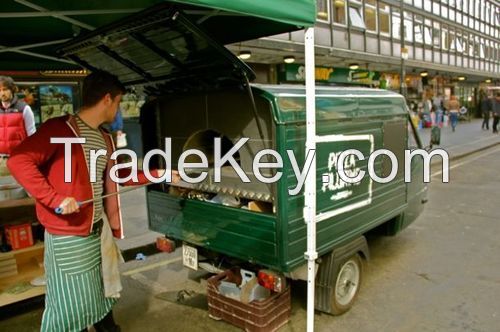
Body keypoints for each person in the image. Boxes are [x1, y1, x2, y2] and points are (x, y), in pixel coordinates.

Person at [7, 70, 179, 332]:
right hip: (67, 236)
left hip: (96, 230)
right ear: (107, 99)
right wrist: (55, 199)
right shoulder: (58, 128)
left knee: (97, 293)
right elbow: (18, 161)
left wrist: (160, 173)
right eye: (119, 102)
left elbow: (118, 175)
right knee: (66, 306)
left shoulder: (105, 138)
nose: (118, 109)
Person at [0, 76, 36, 175]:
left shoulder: (24, 108)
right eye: (0, 90)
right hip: (1, 160)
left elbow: (32, 135)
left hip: (19, 159)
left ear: (11, 90)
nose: (2, 93)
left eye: (5, 89)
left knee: (21, 189)